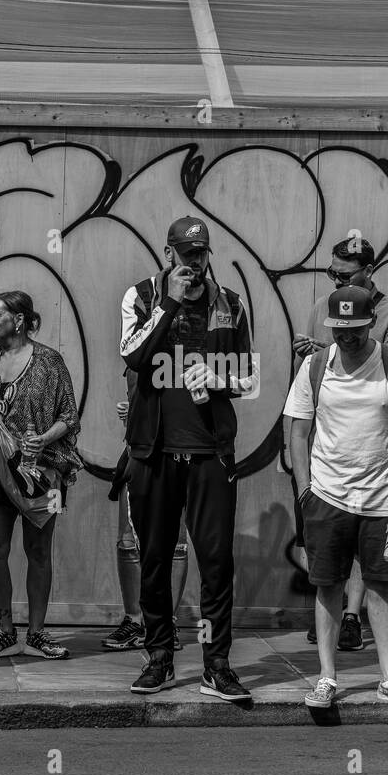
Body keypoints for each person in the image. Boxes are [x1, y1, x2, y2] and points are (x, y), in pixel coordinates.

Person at [119, 216, 257, 700]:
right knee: (155, 557)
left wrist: (218, 379)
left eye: (200, 254)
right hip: (153, 450)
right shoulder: (140, 296)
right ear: (169, 252)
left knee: (216, 560)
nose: (194, 263)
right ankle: (159, 657)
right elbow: (133, 355)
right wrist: (171, 302)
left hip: (210, 452)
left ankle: (216, 665)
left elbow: (250, 377)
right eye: (185, 254)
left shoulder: (231, 304)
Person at [285, 286, 388, 711]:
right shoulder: (314, 366)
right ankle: (327, 678)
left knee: (381, 585)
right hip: (326, 496)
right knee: (327, 585)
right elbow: (296, 430)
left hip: (383, 500)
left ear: (371, 323)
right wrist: (304, 491)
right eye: (338, 329)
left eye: (354, 329)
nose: (345, 337)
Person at [291, 236, 388, 651]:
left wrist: (326, 346)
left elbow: (382, 364)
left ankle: (351, 616)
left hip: (375, 449)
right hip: (328, 446)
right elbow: (309, 383)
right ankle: (331, 614)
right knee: (325, 542)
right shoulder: (322, 307)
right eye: (332, 274)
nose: (337, 281)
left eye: (344, 274)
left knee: (369, 554)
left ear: (369, 271)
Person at [0, 291, 82, 661]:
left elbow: (69, 417)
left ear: (20, 320)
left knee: (40, 550)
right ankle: (5, 631)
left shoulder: (49, 362)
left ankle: (37, 634)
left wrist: (43, 438)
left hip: (44, 474)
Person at [104, 390, 187, 653]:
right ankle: (135, 621)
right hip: (138, 454)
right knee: (128, 541)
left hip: (179, 452)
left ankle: (167, 623)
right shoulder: (135, 360)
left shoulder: (185, 357)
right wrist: (132, 415)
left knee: (176, 543)